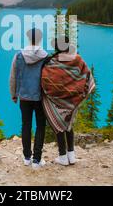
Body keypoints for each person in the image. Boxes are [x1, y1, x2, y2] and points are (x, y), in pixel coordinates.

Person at [41, 36, 95, 166]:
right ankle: (72, 155)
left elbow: (45, 81)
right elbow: (87, 74)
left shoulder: (51, 62)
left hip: (57, 100)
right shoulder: (76, 58)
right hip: (73, 100)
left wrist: (54, 93)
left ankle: (63, 156)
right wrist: (78, 91)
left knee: (59, 126)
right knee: (69, 125)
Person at [9, 28, 48, 169]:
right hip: (40, 97)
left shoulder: (18, 56)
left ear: (28, 39)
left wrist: (14, 94)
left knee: (26, 125)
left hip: (24, 97)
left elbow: (13, 76)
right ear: (39, 39)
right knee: (40, 126)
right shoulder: (46, 57)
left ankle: (27, 158)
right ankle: (37, 160)